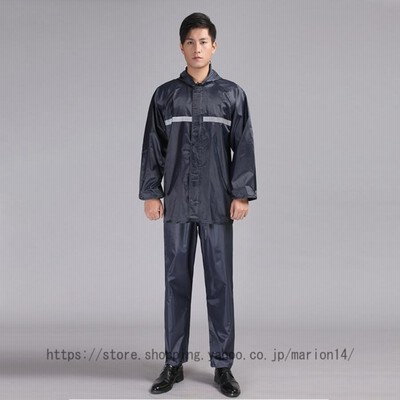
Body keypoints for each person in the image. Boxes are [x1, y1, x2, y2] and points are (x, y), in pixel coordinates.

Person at [139, 12, 257, 398]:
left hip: (217, 204)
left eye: (203, 41)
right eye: (190, 42)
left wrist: (241, 193)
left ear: (214, 46)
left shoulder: (232, 95)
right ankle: (173, 364)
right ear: (181, 47)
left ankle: (223, 367)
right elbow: (153, 146)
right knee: (176, 283)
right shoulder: (165, 96)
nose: (197, 48)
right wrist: (152, 193)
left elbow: (243, 146)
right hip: (175, 202)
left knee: (220, 284)